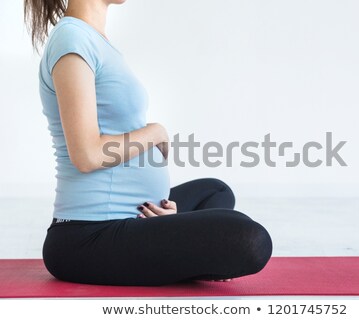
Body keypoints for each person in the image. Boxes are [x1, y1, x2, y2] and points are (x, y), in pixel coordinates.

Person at [23, 0, 273, 286]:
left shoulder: (93, 39)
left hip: (136, 215)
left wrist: (171, 216)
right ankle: (191, 253)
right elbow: (86, 154)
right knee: (251, 239)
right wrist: (156, 133)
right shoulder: (72, 39)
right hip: (87, 237)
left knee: (215, 191)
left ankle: (170, 231)